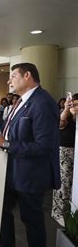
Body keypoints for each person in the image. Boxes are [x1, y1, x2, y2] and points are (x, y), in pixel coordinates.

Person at [0, 63, 60, 247]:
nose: (9, 81)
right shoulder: (21, 101)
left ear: (27, 76)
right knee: (2, 209)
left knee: (33, 220)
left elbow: (44, 146)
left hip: (31, 174)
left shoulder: (42, 103)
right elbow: (13, 132)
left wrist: (7, 144)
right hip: (14, 171)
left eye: (13, 76)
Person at [52, 93, 77, 226]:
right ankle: (60, 214)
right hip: (65, 152)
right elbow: (60, 124)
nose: (75, 106)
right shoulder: (65, 116)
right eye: (74, 104)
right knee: (64, 183)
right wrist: (67, 109)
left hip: (76, 153)